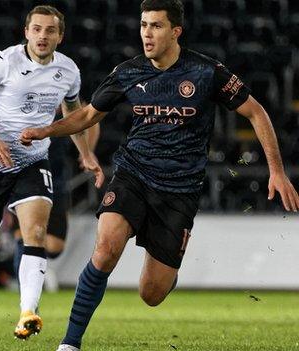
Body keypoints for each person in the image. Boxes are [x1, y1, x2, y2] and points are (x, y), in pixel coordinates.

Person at [19, 1, 299, 350]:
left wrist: (276, 171)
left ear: (175, 31)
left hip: (179, 192)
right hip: (133, 174)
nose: (146, 34)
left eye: (156, 26)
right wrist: (47, 130)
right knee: (105, 249)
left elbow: (256, 113)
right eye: (143, 25)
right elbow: (89, 114)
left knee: (151, 294)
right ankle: (70, 343)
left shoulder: (206, 71)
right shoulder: (128, 72)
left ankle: (169, 270)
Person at [0, 5, 104, 340]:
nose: (42, 36)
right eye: (36, 29)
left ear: (60, 36)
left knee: (35, 231)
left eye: (50, 30)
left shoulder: (68, 71)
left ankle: (27, 312)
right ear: (26, 31)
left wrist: (86, 153)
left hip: (34, 160)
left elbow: (73, 114)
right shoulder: (4, 62)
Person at [12, 113, 100, 292]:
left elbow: (90, 118)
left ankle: (34, 266)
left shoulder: (63, 95)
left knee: (55, 246)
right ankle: (27, 293)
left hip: (57, 178)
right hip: (25, 174)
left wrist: (87, 151)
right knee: (26, 235)